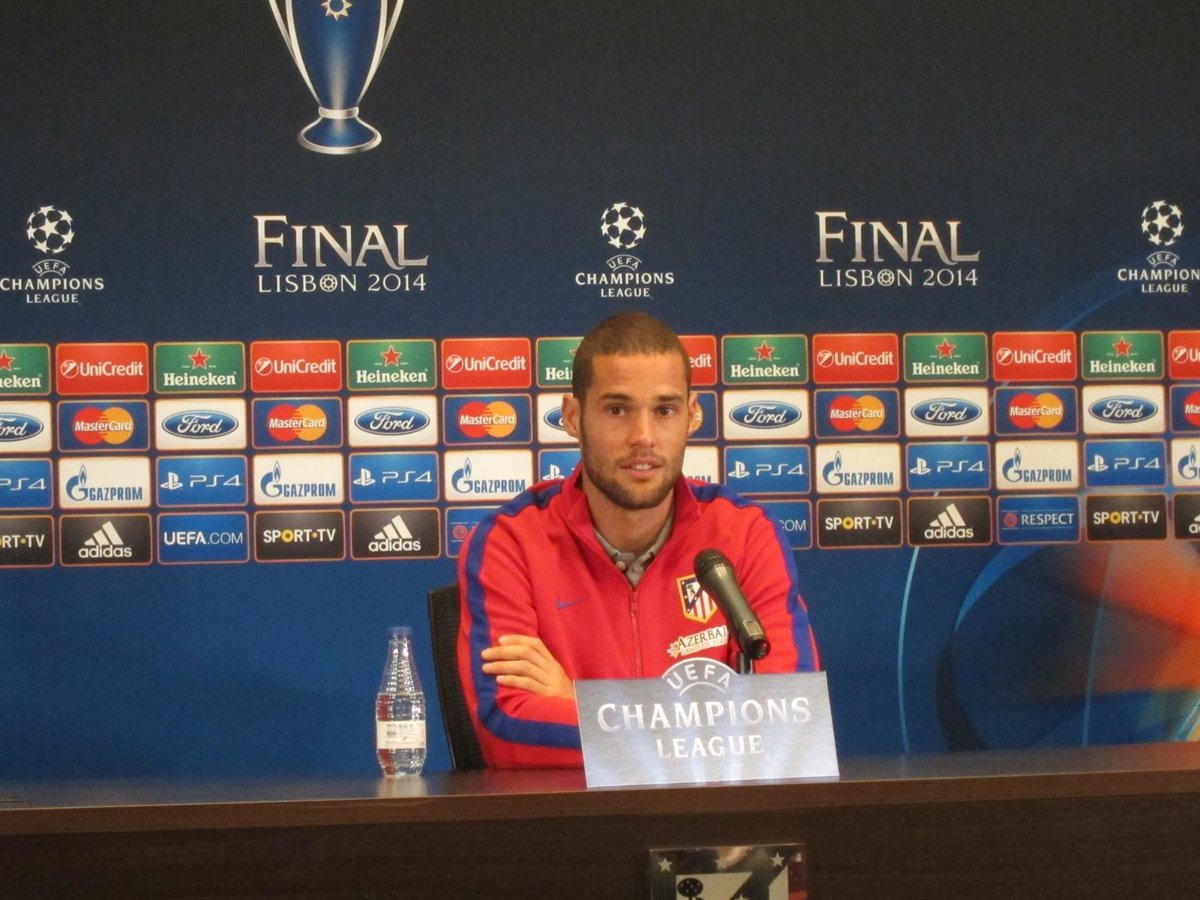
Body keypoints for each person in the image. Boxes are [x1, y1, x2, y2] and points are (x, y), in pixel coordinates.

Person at [456, 311, 819, 768]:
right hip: (573, 812)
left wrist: (582, 704)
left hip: (714, 813)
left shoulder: (744, 533)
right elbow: (508, 730)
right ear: (573, 416)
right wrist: (704, 732)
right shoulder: (509, 542)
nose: (643, 436)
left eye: (664, 410)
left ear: (691, 416)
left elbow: (788, 719)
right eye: (617, 410)